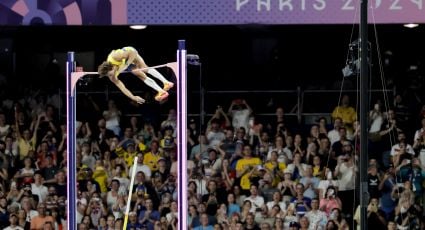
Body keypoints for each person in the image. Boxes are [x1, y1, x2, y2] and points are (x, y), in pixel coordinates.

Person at [97, 46, 174, 104]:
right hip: (124, 65)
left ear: (111, 67)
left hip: (130, 53)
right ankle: (161, 91)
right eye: (109, 75)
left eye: (111, 73)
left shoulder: (115, 56)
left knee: (144, 68)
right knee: (140, 75)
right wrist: (133, 97)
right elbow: (123, 88)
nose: (112, 75)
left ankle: (166, 82)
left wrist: (127, 64)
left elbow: (133, 52)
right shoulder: (112, 76)